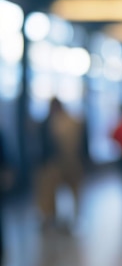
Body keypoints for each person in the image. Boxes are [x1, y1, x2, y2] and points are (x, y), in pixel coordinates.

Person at [36, 97, 84, 231]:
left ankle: (67, 218)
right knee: (50, 193)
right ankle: (52, 217)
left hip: (66, 163)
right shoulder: (68, 121)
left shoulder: (67, 122)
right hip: (57, 163)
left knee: (72, 192)